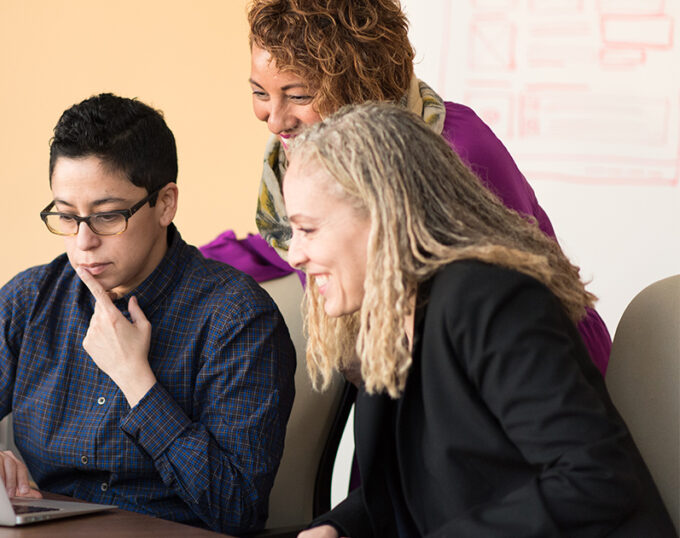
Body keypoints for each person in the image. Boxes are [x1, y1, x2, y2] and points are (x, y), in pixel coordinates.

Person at [283, 103, 675, 537]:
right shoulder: (388, 318)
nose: (293, 254)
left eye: (309, 229)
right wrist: (339, 527)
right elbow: (412, 488)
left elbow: (595, 480)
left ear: (381, 214)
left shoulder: (491, 299)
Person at [0, 93, 296, 534]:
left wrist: (136, 381)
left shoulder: (237, 318)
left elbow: (236, 507)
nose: (83, 242)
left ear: (165, 203)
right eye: (67, 217)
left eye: (108, 217)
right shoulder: (32, 299)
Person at [245, 0, 612, 374]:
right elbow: (306, 239)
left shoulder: (456, 148)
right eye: (260, 93)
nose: (274, 121)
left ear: (359, 83)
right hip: (417, 381)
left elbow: (516, 297)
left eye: (298, 95)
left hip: (535, 374)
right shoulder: (298, 156)